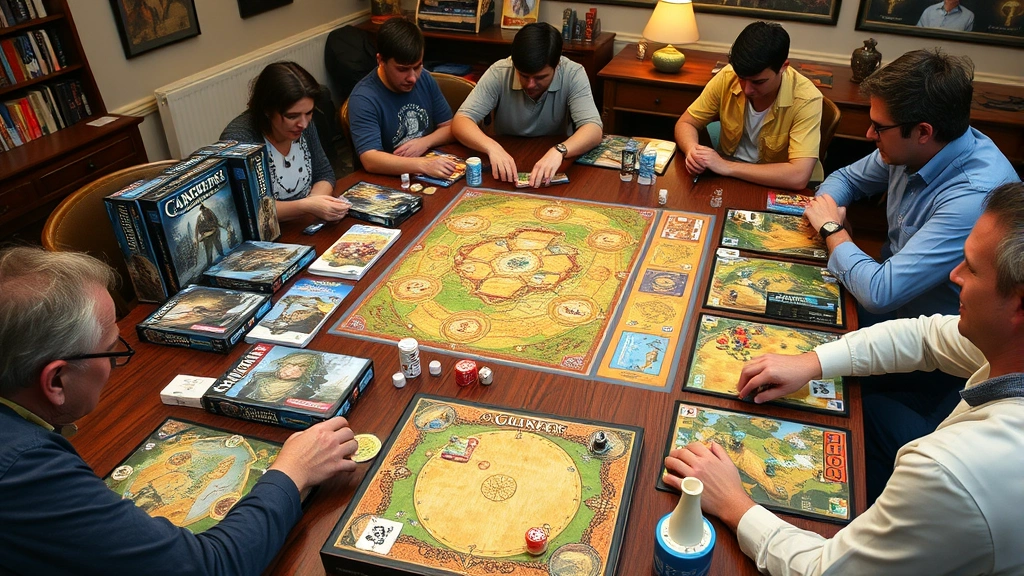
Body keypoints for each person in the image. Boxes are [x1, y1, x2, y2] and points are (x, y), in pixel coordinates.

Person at [664, 181, 1024, 575]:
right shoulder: (1011, 340)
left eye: (971, 267)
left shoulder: (951, 471)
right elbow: (925, 337)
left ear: (1018, 305)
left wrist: (735, 504)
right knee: (874, 414)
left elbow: (825, 570)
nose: (954, 275)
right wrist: (812, 361)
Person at [0, 247, 359, 575]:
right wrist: (292, 471)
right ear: (56, 382)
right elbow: (210, 568)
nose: (116, 361)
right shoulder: (25, 471)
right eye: (112, 351)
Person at [803, 50, 1018, 502]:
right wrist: (832, 217)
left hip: (944, 361)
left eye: (879, 127)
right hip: (901, 322)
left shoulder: (971, 195)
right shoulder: (915, 147)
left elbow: (882, 291)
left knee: (829, 406)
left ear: (923, 132)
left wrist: (831, 230)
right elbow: (842, 180)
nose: (868, 133)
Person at [674, 21, 822, 190]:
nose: (747, 89)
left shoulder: (807, 99)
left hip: (774, 185)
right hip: (729, 177)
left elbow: (798, 176)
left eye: (758, 82)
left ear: (783, 67)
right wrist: (692, 150)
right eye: (741, 78)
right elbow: (686, 123)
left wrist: (726, 166)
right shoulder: (728, 75)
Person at [452, 22, 603, 188]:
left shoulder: (573, 73)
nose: (531, 84)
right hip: (506, 157)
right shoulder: (499, 71)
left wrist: (560, 150)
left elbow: (593, 129)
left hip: (553, 159)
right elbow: (461, 121)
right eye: (523, 75)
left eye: (540, 77)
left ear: (557, 64)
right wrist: (492, 148)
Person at [221, 61, 350, 223]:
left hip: (305, 222)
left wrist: (317, 201)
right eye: (292, 116)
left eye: (309, 112)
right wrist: (307, 205)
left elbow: (323, 173)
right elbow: (249, 208)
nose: (303, 123)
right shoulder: (240, 138)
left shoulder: (302, 123)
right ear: (267, 110)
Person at [347, 18, 458, 178]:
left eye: (417, 66)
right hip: (387, 179)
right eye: (402, 69)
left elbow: (450, 127)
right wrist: (423, 165)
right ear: (380, 61)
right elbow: (370, 159)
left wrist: (424, 142)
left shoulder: (424, 79)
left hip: (427, 169)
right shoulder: (363, 98)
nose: (412, 77)